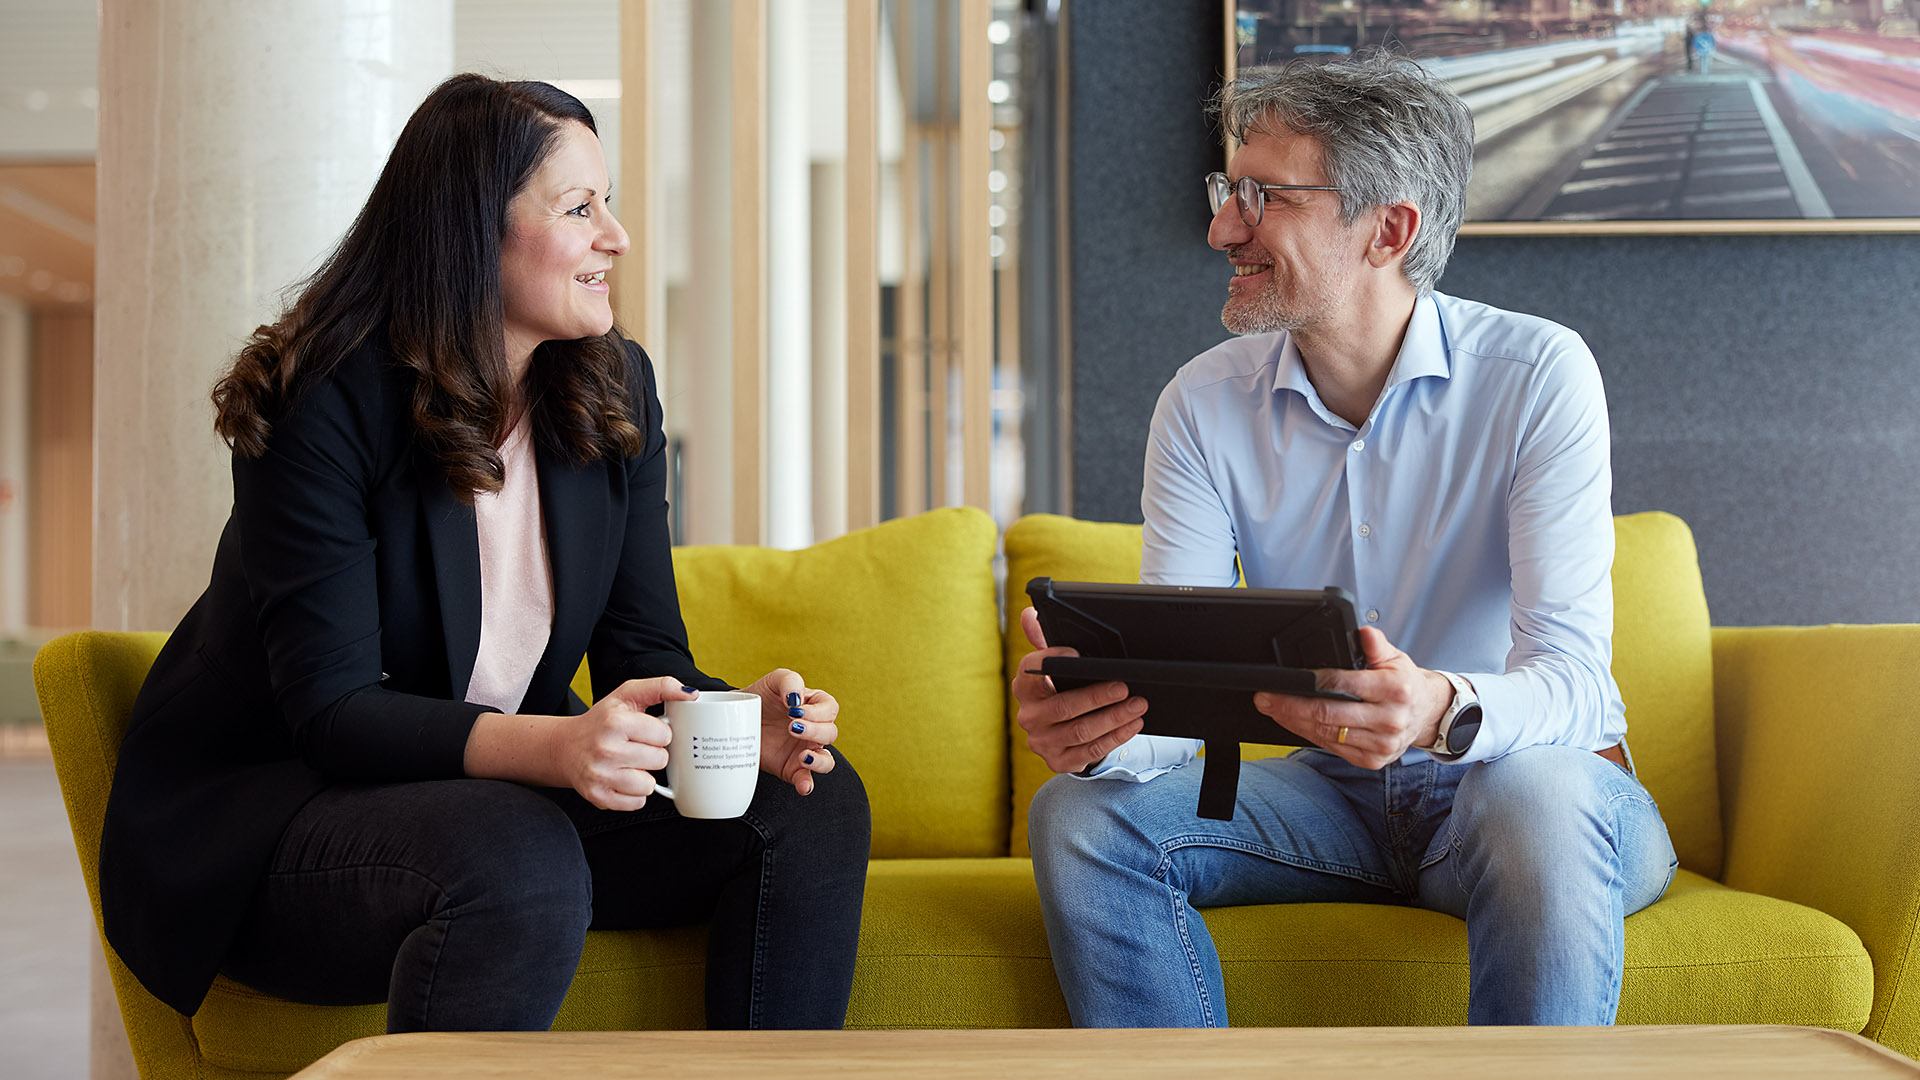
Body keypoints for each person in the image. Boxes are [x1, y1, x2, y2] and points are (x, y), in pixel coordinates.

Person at [98, 74, 871, 1033]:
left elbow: (641, 652)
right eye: (579, 207)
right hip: (282, 816)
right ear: (472, 227)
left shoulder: (613, 383)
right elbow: (333, 713)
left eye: (609, 203)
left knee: (807, 807)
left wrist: (723, 724)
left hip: (501, 801)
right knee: (517, 850)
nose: (615, 237)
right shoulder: (327, 397)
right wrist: (559, 747)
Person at [1012, 53, 1678, 1027]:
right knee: (1078, 818)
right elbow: (1183, 713)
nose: (1219, 228)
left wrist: (1433, 706)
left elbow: (1580, 690)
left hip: (1525, 796)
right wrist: (1104, 735)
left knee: (1531, 795)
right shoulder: (1201, 406)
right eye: (1224, 191)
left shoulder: (1538, 375)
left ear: (1389, 230)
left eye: (1259, 197)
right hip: (1328, 802)